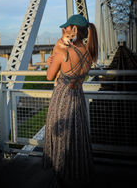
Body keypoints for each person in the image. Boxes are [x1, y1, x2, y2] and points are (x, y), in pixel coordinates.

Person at [43, 14, 98, 188]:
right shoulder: (89, 55)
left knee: (60, 138)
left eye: (66, 27)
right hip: (78, 100)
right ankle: (76, 174)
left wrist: (50, 60)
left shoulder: (63, 53)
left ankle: (60, 179)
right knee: (76, 138)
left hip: (61, 99)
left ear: (74, 30)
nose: (63, 30)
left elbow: (49, 76)